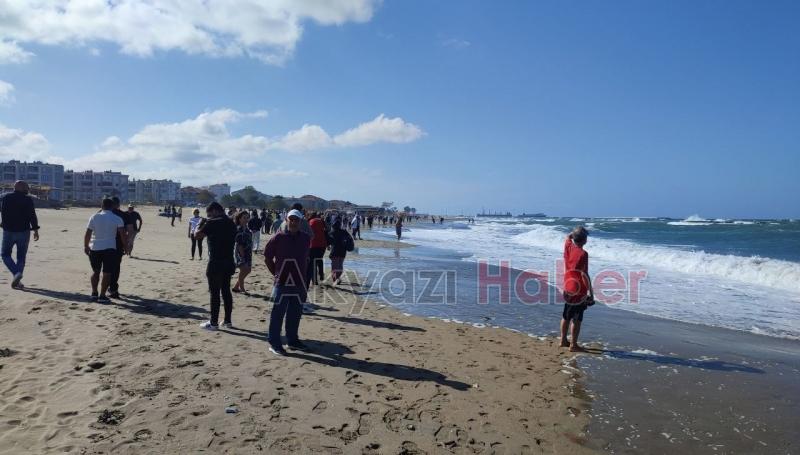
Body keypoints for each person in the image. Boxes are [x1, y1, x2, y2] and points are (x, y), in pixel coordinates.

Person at [264, 209, 311, 355]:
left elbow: (306, 258)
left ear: (300, 221)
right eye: (291, 219)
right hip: (282, 282)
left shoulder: (305, 238)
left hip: (299, 283)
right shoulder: (279, 237)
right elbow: (267, 256)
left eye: (296, 219)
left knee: (295, 313)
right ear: (286, 220)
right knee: (277, 314)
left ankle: (292, 341)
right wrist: (276, 273)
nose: (293, 222)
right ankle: (274, 343)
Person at [194, 202, 237, 330]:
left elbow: (197, 236)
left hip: (216, 262)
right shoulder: (231, 222)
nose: (209, 216)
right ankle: (228, 321)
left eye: (209, 214)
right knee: (226, 291)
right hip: (229, 261)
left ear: (214, 211)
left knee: (214, 293)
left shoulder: (212, 223)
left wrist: (200, 224)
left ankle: (213, 323)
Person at [85, 198, 126, 303]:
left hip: (95, 247)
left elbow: (88, 233)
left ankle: (94, 293)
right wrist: (125, 246)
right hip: (110, 248)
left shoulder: (94, 217)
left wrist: (86, 246)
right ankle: (102, 296)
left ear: (101, 206)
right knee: (107, 273)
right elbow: (122, 235)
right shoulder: (117, 218)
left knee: (96, 272)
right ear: (112, 207)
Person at [0, 181, 40, 289]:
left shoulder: (6, 198)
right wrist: (35, 230)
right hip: (24, 231)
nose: (28, 189)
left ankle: (16, 275)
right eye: (27, 187)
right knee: (21, 257)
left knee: (5, 255)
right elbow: (32, 215)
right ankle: (17, 278)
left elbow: (3, 212)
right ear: (21, 188)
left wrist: (3, 223)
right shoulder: (27, 200)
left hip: (9, 231)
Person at [560, 226, 594, 353]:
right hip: (578, 289)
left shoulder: (568, 247)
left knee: (566, 315)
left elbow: (568, 237)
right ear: (585, 240)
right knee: (577, 318)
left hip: (567, 286)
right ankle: (573, 344)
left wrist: (575, 233)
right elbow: (584, 275)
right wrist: (591, 292)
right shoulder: (583, 254)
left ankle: (563, 340)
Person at [108, 197, 134, 299]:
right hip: (118, 244)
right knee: (116, 267)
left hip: (103, 244)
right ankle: (113, 289)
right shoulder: (124, 215)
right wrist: (127, 243)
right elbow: (130, 230)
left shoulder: (101, 212)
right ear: (118, 204)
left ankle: (103, 289)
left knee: (106, 267)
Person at [327, 216, 354, 285]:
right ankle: (337, 278)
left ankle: (335, 278)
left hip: (334, 252)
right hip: (342, 252)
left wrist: (328, 246)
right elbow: (350, 239)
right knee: (340, 266)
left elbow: (328, 241)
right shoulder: (344, 232)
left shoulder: (331, 232)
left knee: (334, 266)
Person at [233, 210, 253, 294]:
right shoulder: (239, 229)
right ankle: (242, 289)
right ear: (239, 219)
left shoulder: (247, 229)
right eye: (244, 218)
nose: (246, 219)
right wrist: (243, 255)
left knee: (248, 270)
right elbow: (239, 245)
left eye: (247, 217)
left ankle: (236, 287)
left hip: (248, 252)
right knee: (244, 269)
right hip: (241, 253)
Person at [307, 212, 327, 287]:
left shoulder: (311, 222)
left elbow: (308, 233)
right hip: (323, 244)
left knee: (313, 263)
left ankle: (315, 280)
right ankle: (321, 275)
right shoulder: (321, 221)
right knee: (319, 260)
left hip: (313, 244)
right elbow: (326, 230)